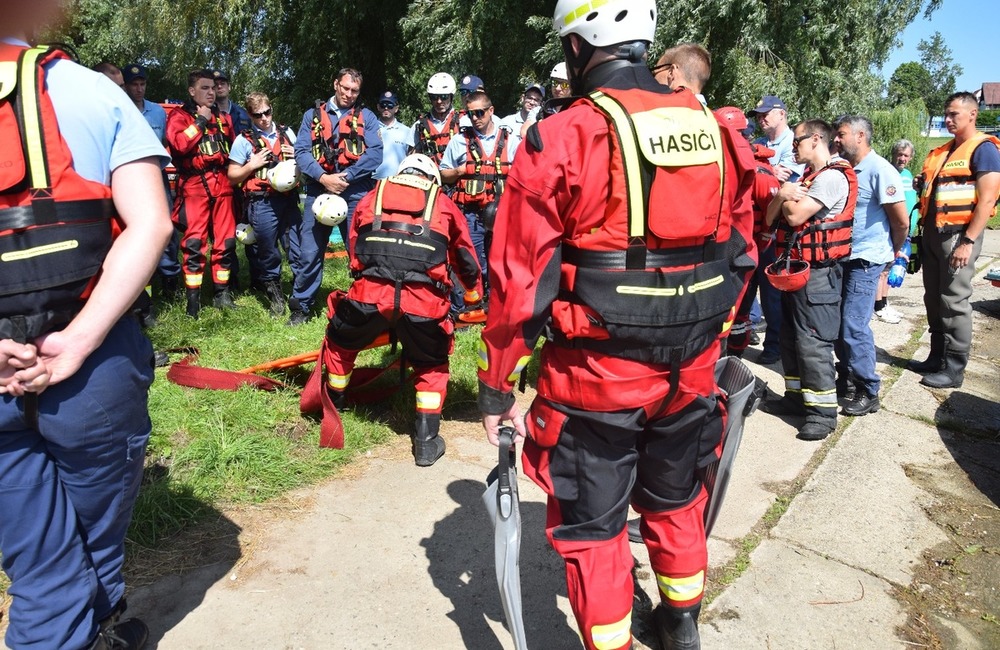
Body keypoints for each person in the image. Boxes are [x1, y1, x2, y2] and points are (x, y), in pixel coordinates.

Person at [477, 1, 756, 648]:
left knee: (594, 531)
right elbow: (742, 248)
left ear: (577, 48)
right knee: (676, 497)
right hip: (692, 369)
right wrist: (707, 332)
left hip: (597, 382)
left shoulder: (563, 135)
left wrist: (496, 387)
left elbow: (520, 280)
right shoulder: (715, 128)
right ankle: (681, 624)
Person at [0, 3, 172, 647]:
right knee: (94, 545)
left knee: (39, 568)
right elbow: (151, 222)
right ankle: (96, 631)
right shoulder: (90, 90)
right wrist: (79, 339)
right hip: (91, 367)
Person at [322, 154, 482, 466]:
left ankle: (334, 404)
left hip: (369, 296)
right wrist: (473, 296)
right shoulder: (444, 204)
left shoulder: (372, 196)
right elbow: (464, 256)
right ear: (432, 179)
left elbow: (356, 245)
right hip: (424, 304)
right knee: (432, 364)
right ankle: (426, 443)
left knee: (340, 343)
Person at [763, 119, 856, 441]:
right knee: (789, 337)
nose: (793, 146)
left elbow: (794, 216)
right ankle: (795, 398)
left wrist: (782, 196)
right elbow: (769, 217)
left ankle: (822, 414)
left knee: (813, 342)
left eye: (798, 141)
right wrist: (782, 195)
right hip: (794, 272)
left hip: (819, 274)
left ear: (816, 139)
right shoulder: (805, 179)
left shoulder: (831, 177)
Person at [909, 92, 1000, 388]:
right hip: (933, 233)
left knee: (954, 301)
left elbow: (988, 200)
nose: (948, 120)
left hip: (958, 235)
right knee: (933, 298)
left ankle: (954, 368)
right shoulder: (945, 150)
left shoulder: (984, 149)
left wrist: (968, 241)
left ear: (973, 114)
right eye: (946, 114)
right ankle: (936, 357)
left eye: (954, 115)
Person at [292, 67, 383, 325]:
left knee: (360, 250)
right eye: (345, 88)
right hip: (319, 188)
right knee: (309, 251)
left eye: (355, 90)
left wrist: (347, 177)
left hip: (355, 190)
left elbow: (375, 153)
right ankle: (301, 307)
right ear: (336, 85)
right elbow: (301, 152)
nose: (349, 94)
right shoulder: (312, 116)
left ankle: (365, 305)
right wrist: (323, 178)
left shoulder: (367, 117)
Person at [831, 116, 908, 414]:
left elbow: (900, 222)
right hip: (842, 258)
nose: (836, 140)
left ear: (860, 135)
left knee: (854, 324)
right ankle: (847, 379)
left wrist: (891, 254)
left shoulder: (880, 170)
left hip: (866, 260)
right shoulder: (844, 168)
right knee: (839, 323)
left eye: (841, 134)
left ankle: (868, 389)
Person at [165, 68, 237, 318]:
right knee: (194, 244)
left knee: (226, 241)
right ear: (192, 91)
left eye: (213, 88)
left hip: (223, 183)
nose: (211, 92)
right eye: (205, 88)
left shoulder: (224, 118)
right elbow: (179, 145)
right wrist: (201, 121)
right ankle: (192, 300)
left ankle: (222, 294)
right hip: (194, 185)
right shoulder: (179, 116)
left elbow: (234, 150)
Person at [714, 107, 780, 359]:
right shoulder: (716, 163)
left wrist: (763, 239)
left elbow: (772, 211)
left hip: (747, 249)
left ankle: (737, 356)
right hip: (721, 249)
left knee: (744, 308)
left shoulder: (760, 171)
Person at [439, 90, 515, 309]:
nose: (475, 118)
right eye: (470, 114)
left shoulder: (511, 140)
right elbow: (443, 173)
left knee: (500, 260)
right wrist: (460, 171)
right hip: (471, 214)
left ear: (491, 111)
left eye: (480, 113)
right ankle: (469, 307)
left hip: (502, 212)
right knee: (471, 261)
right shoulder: (458, 141)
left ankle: (497, 305)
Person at [228, 91, 299, 316]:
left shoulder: (287, 134)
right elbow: (232, 176)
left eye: (267, 112)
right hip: (262, 202)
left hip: (288, 200)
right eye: (258, 115)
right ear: (250, 115)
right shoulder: (243, 141)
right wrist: (252, 165)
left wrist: (296, 153)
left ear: (271, 109)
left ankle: (300, 296)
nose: (264, 118)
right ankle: (275, 297)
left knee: (296, 248)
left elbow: (306, 163)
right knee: (268, 251)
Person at [408, 72, 461, 165]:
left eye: (444, 97)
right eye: (434, 97)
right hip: (430, 172)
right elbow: (411, 158)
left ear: (451, 96)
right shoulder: (419, 125)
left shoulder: (463, 121)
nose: (439, 101)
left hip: (456, 172)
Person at [749, 95, 804, 182]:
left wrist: (758, 168)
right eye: (758, 117)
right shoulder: (758, 142)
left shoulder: (794, 141)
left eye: (764, 115)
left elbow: (783, 176)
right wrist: (772, 170)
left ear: (781, 114)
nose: (760, 120)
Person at [373, 91, 410, 180]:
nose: (386, 108)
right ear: (378, 107)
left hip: (398, 181)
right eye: (383, 105)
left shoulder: (407, 131)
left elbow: (411, 158)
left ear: (396, 108)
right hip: (373, 181)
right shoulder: (370, 128)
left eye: (390, 105)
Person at [500, 83, 544, 153]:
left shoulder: (542, 126)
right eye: (529, 98)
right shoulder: (506, 122)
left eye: (537, 100)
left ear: (541, 104)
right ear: (523, 98)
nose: (532, 102)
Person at [212, 69, 251, 134]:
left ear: (229, 87)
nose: (219, 86)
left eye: (222, 83)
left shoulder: (242, 114)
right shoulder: (208, 114)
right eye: (215, 84)